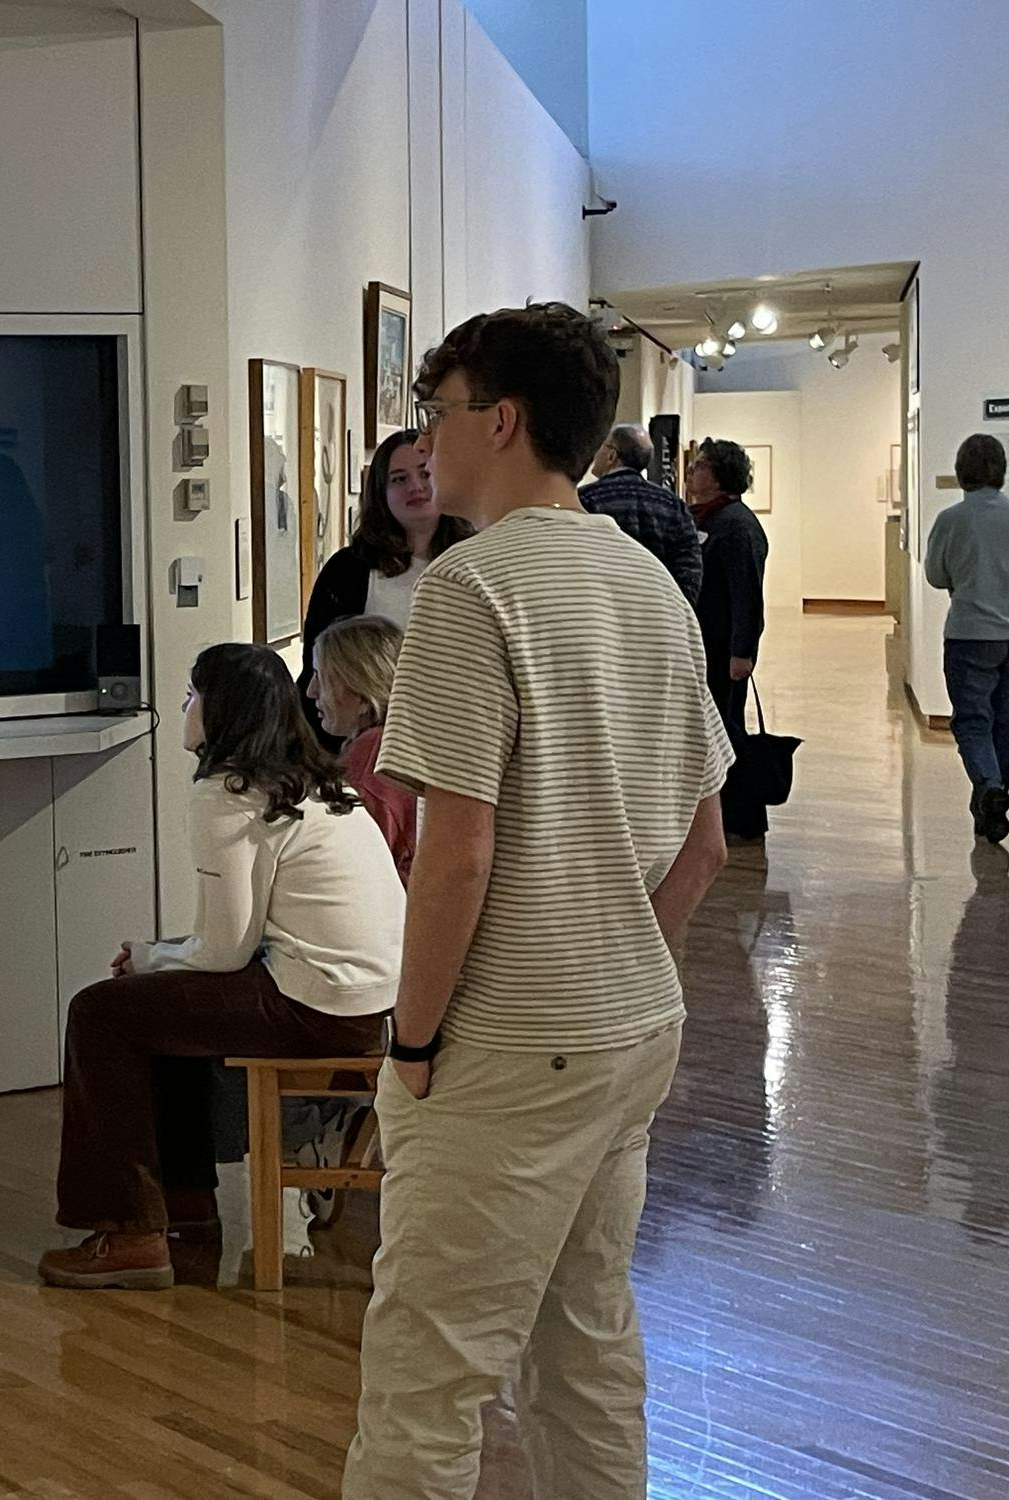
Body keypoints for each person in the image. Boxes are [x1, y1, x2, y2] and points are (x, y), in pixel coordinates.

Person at [340, 303, 732, 1499]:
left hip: (510, 1046)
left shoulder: (470, 588)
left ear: (497, 421)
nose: (427, 441)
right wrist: (620, 958)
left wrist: (410, 1040)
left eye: (438, 413)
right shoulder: (647, 584)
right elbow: (704, 845)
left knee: (425, 1381)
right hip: (628, 1031)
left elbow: (455, 855)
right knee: (584, 1347)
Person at [39, 643, 406, 1291]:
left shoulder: (228, 795)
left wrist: (152, 957)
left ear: (225, 709)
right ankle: (182, 1203)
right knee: (159, 1005)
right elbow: (232, 945)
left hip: (317, 1006)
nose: (183, 705)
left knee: (99, 1013)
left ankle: (131, 1231)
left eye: (192, 692)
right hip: (367, 1000)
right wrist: (160, 963)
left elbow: (224, 951)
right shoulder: (313, 780)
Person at [298, 430, 471, 745]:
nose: (416, 487)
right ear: (381, 492)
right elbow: (319, 673)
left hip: (457, 737)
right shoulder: (347, 570)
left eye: (425, 473)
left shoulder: (476, 563)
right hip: (369, 748)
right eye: (399, 479)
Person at [925, 433, 1009, 842]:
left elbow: (937, 576)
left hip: (969, 634)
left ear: (961, 473)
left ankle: (990, 786)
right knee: (1005, 721)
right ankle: (994, 797)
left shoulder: (950, 520)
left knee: (973, 721)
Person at [689, 437, 772, 840]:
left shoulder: (736, 525)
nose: (691, 471)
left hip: (723, 651)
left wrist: (743, 653)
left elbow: (747, 595)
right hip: (705, 647)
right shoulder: (707, 518)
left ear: (720, 474)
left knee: (728, 732)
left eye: (701, 465)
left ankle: (744, 816)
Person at [308, 616, 415, 883]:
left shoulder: (370, 760)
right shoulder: (406, 737)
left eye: (321, 677)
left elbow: (355, 871)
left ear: (363, 694)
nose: (311, 691)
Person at [581, 422, 703, 603]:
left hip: (602, 609)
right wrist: (680, 606)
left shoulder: (586, 499)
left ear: (612, 455)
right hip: (661, 609)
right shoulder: (672, 504)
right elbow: (689, 564)